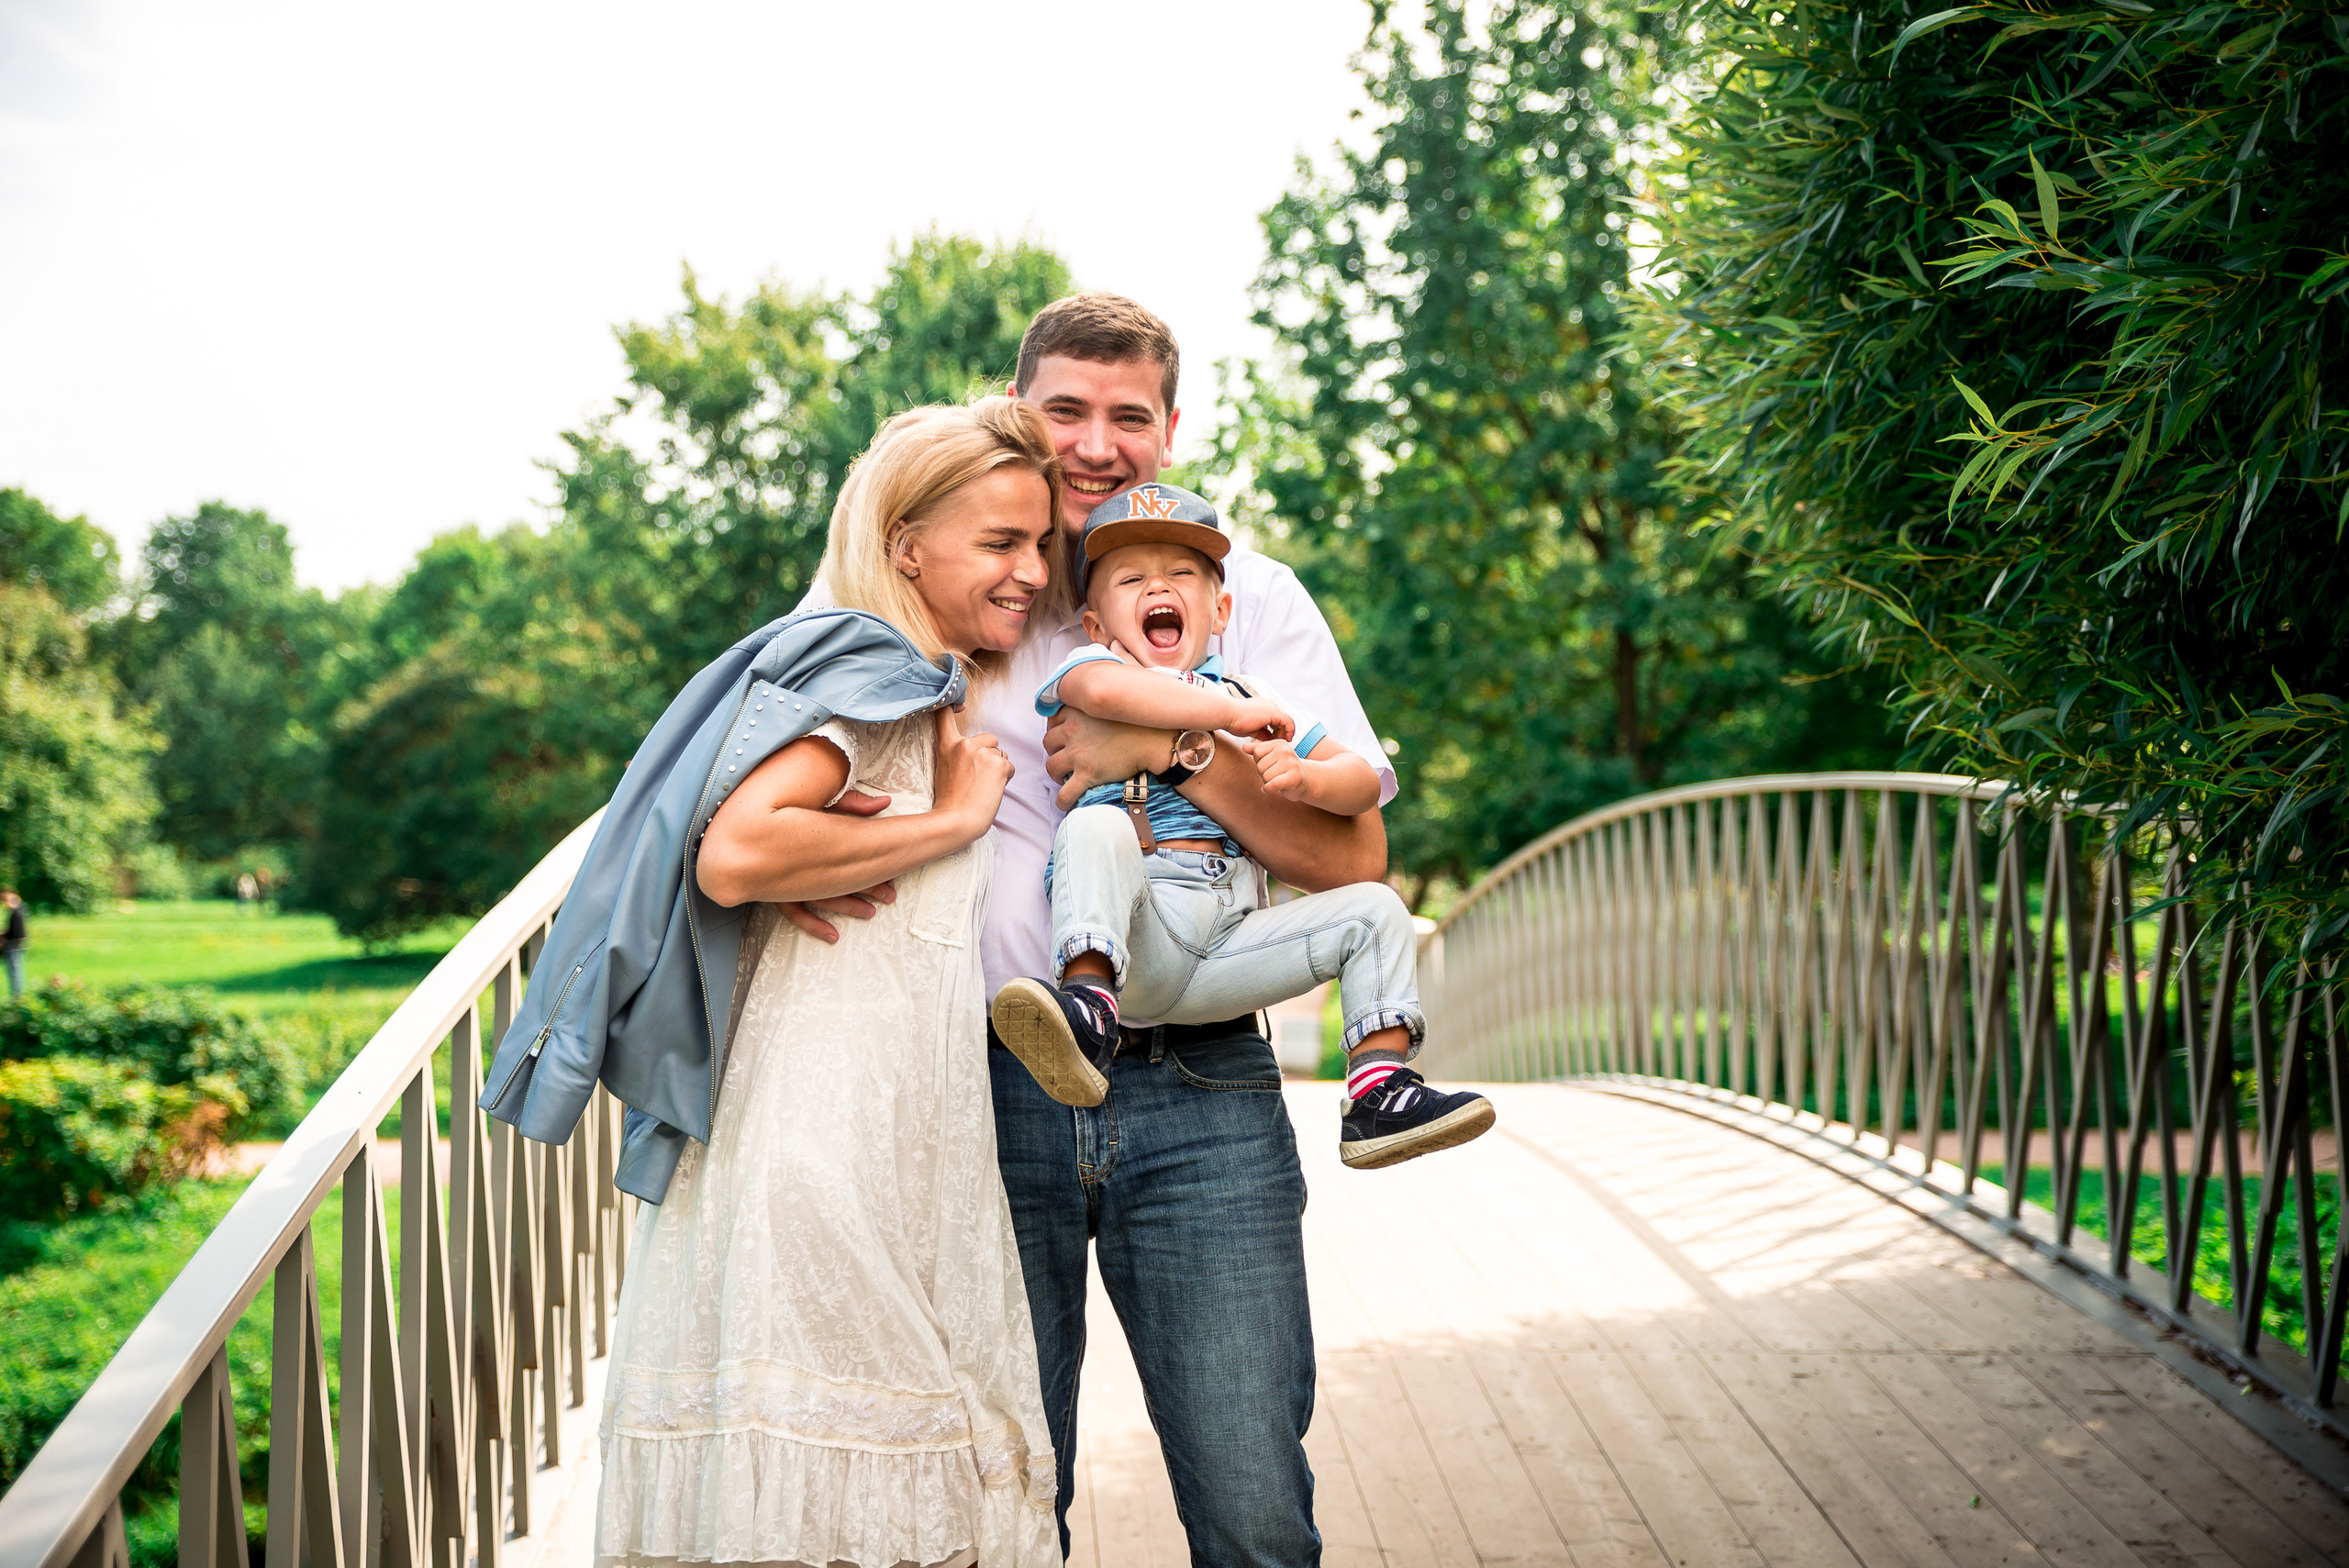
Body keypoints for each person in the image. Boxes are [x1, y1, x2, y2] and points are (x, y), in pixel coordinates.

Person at [784, 295, 1391, 1565]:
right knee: (997, 1502)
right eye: (1067, 409)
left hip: (1202, 1084)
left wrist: (1167, 749)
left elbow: (1353, 857)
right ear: (1019, 409)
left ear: (1171, 428)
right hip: (980, 1084)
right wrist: (796, 863)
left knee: (1253, 1505)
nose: (1097, 443)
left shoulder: (1246, 596)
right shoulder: (945, 580)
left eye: (1130, 416)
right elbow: (778, 758)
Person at [586, 398, 1065, 1568]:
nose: (1032, 570)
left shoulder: (902, 672)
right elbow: (737, 850)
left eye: (1041, 542)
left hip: (864, 1132)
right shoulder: (878, 667)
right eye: (1000, 541)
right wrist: (953, 818)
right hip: (827, 1143)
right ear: (906, 544)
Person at [990, 481, 1495, 1171]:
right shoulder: (1097, 666)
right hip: (1138, 934)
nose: (1157, 586)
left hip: (1228, 941)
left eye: (1181, 575)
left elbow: (1356, 782)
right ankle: (1086, 1008)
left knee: (1377, 911)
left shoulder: (1257, 695)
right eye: (1131, 579)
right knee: (1093, 831)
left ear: (1221, 610)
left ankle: (1380, 1090)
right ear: (1097, 625)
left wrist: (1308, 778)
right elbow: (1105, 693)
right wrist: (1223, 716)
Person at [2, 889, 25, 1001]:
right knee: (14, 970)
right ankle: (16, 995)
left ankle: (17, 996)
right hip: (13, 944)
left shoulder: (16, 913)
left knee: (14, 971)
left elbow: (17, 933)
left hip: (13, 945)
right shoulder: (17, 912)